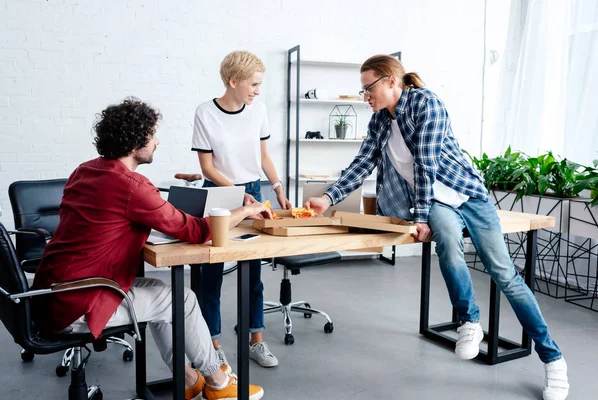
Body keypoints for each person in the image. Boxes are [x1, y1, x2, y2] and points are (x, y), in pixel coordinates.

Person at [304, 55, 569, 400]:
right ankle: (469, 320)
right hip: (437, 204)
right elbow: (362, 162)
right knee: (447, 245)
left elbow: (425, 166)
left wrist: (419, 216)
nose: (365, 96)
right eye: (362, 90)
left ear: (390, 81)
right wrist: (328, 197)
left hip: (467, 195)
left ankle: (553, 359)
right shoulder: (379, 122)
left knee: (504, 274)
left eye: (368, 88)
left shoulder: (426, 103)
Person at [31, 98, 267, 400]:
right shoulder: (132, 186)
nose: (157, 141)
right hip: (79, 303)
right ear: (136, 140)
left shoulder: (85, 171)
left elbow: (108, 221)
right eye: (153, 134)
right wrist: (245, 211)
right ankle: (220, 384)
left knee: (161, 294)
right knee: (181, 298)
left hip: (52, 293)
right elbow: (197, 230)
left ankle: (188, 379)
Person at [191, 51, 291, 368]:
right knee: (211, 276)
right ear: (233, 81)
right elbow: (207, 166)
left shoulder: (257, 110)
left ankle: (255, 341)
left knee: (254, 273)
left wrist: (277, 189)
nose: (258, 91)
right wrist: (235, 195)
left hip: (253, 191)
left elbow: (263, 156)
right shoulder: (205, 113)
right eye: (254, 84)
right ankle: (213, 346)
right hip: (220, 194)